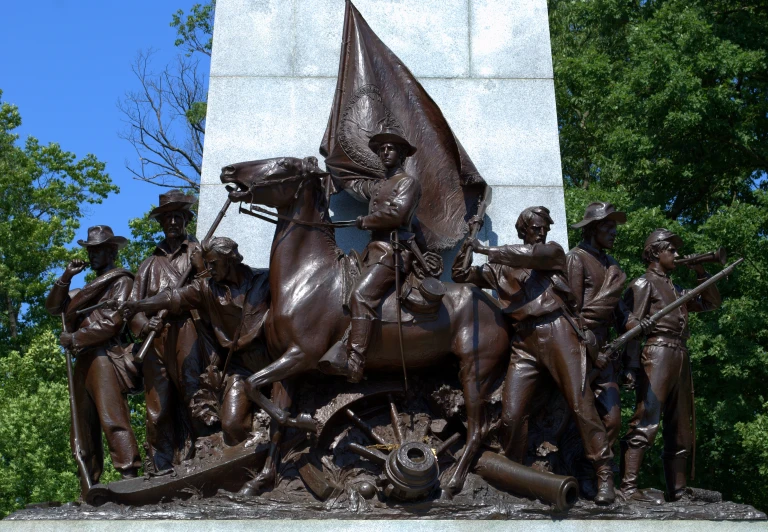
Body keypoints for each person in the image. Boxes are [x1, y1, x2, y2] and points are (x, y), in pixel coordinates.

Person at [452, 206, 616, 504]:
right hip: (524, 340)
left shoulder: (552, 253)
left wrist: (486, 249)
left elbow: (526, 256)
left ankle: (604, 473)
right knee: (512, 414)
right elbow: (460, 274)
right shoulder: (498, 269)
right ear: (523, 230)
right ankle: (515, 477)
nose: (542, 232)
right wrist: (468, 242)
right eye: (536, 228)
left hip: (558, 330)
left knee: (581, 404)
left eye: (545, 228)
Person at [619, 229, 721, 502]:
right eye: (671, 250)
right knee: (646, 419)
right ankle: (628, 488)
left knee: (680, 427)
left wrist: (701, 271)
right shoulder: (643, 284)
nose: (677, 255)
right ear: (655, 252)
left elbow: (712, 302)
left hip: (680, 355)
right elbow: (630, 328)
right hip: (657, 353)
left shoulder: (675, 289)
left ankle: (677, 491)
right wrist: (630, 367)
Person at [45, 225, 142, 493]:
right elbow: (53, 307)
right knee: (82, 424)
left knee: (112, 416)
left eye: (98, 250)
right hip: (84, 360)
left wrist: (75, 338)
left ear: (112, 251)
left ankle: (129, 475)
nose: (92, 255)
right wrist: (66, 277)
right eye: (90, 250)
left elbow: (113, 322)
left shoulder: (122, 281)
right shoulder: (83, 290)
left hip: (103, 356)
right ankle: (89, 482)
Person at [130, 189, 211, 473]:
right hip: (156, 340)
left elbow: (209, 291)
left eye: (179, 216)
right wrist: (143, 325)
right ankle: (159, 464)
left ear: (186, 220)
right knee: (158, 405)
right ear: (161, 224)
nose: (173, 222)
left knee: (194, 392)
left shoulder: (197, 254)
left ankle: (205, 455)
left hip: (189, 331)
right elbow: (133, 308)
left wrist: (200, 269)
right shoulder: (149, 265)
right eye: (168, 218)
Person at [339, 126, 422, 383]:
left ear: (401, 155)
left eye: (391, 149)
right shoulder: (379, 185)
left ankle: (356, 362)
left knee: (362, 295)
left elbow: (397, 214)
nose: (385, 152)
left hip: (394, 252)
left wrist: (367, 221)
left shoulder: (407, 182)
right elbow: (354, 186)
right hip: (374, 251)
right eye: (381, 149)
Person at [566, 202, 629, 495]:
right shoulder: (576, 259)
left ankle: (587, 469)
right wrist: (592, 350)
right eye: (608, 226)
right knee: (582, 414)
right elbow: (571, 312)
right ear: (593, 229)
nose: (614, 232)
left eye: (614, 226)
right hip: (581, 349)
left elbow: (620, 315)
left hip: (607, 350)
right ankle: (596, 477)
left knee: (613, 418)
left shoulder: (613, 266)